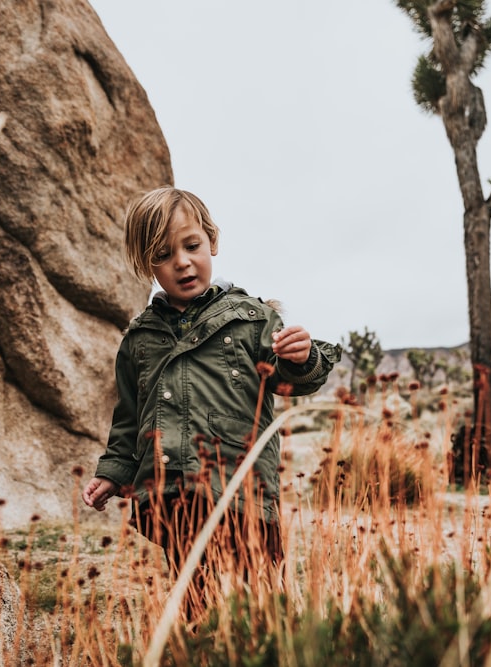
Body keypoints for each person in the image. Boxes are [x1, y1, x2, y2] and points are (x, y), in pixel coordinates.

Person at [82, 186, 341, 618]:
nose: (182, 261)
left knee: (262, 599)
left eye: (192, 245)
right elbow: (129, 418)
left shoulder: (252, 319)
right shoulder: (139, 340)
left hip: (243, 490)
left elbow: (289, 381)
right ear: (148, 265)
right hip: (174, 492)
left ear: (212, 241)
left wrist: (302, 357)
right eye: (163, 254)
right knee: (196, 599)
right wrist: (114, 473)